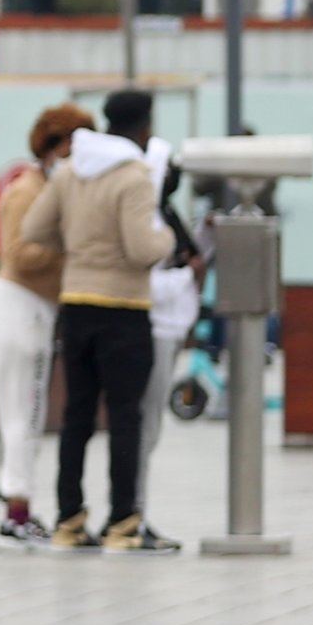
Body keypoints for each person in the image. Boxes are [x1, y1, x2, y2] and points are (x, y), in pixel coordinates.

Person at [17, 87, 178, 552]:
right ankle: (122, 522)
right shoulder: (133, 175)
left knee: (77, 417)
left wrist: (80, 248)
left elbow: (33, 230)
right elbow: (142, 249)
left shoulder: (70, 172)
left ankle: (69, 519)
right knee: (125, 417)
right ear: (145, 125)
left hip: (76, 305)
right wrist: (167, 237)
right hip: (124, 310)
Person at [0, 105, 89, 547]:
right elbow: (19, 254)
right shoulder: (29, 190)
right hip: (18, 305)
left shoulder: (54, 187)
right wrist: (71, 247)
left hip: (32, 309)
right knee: (22, 414)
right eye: (72, 144)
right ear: (53, 145)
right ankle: (16, 515)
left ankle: (17, 507)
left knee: (27, 413)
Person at [134, 150, 206, 474]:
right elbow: (149, 281)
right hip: (154, 327)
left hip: (174, 326)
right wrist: (187, 275)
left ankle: (137, 508)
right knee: (145, 423)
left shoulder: (166, 213)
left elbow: (190, 253)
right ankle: (133, 510)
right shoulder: (146, 217)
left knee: (152, 425)